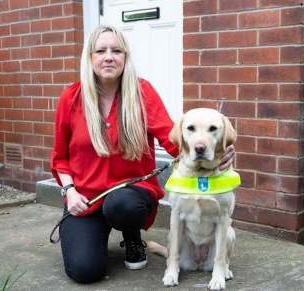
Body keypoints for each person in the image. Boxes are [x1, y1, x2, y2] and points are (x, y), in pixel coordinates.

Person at [50, 25, 235, 284]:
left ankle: (131, 235)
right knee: (84, 271)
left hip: (131, 195)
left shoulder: (142, 92)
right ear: (89, 56)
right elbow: (60, 158)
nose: (108, 57)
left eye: (116, 50)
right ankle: (94, 233)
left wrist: (213, 155)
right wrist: (69, 192)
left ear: (125, 56)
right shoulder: (71, 98)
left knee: (122, 204)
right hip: (86, 198)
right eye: (100, 50)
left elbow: (173, 139)